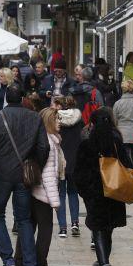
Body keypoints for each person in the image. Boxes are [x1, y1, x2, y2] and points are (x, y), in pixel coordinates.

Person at [0, 86, 50, 266]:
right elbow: (44, 147)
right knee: (24, 219)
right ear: (22, 98)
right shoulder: (35, 118)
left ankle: (8, 260)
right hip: (23, 177)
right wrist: (34, 167)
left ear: (6, 99)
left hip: (1, 175)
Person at [74, 107, 133, 266]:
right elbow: (128, 165)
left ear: (92, 123)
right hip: (114, 193)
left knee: (98, 230)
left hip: (95, 194)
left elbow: (78, 172)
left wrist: (85, 192)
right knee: (107, 231)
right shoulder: (117, 143)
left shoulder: (86, 144)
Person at [14, 107, 63, 266]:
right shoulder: (49, 142)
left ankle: (20, 263)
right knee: (45, 229)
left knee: (27, 227)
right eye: (57, 119)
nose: (60, 122)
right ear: (49, 121)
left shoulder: (40, 139)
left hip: (32, 190)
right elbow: (49, 174)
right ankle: (39, 265)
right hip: (42, 193)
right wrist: (55, 201)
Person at [55, 96, 84, 238]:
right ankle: (75, 222)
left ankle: (62, 228)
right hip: (75, 161)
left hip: (60, 161)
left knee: (60, 194)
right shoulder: (80, 120)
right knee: (73, 193)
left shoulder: (56, 120)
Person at [113, 80, 133, 177]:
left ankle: (126, 176)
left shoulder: (118, 103)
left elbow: (114, 121)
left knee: (124, 156)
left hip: (122, 134)